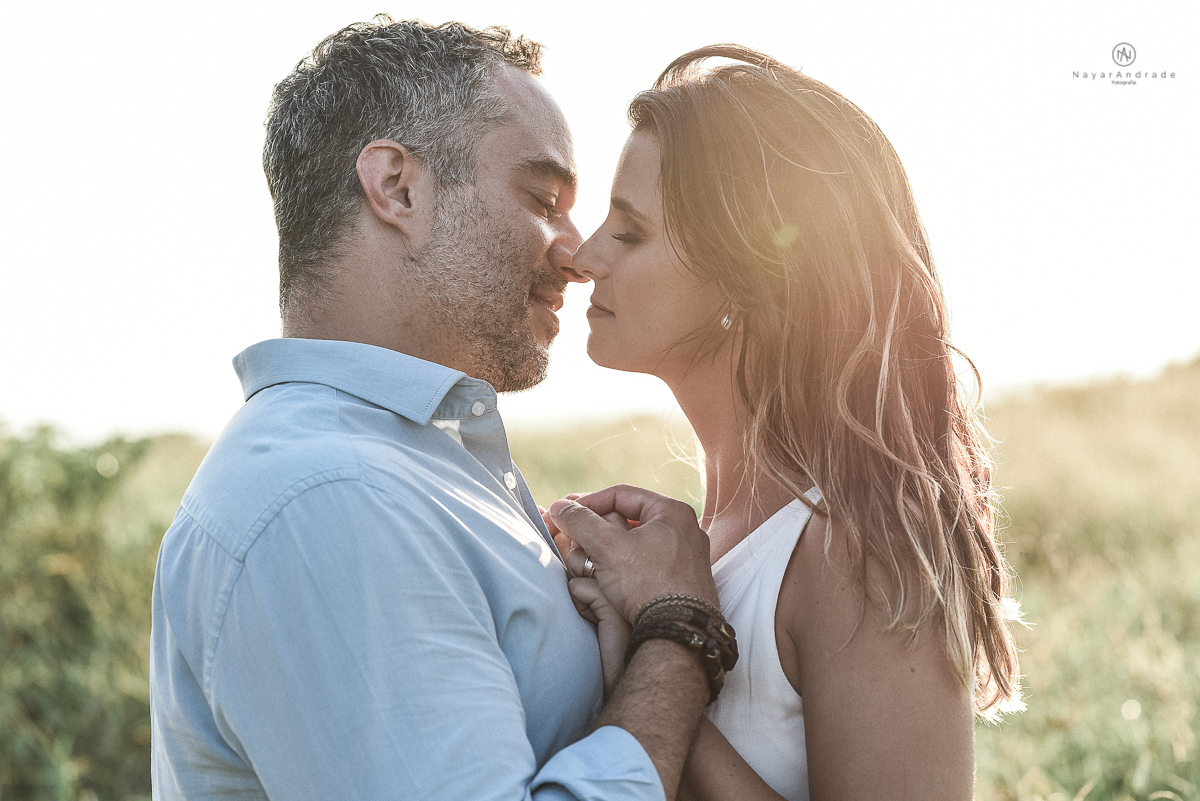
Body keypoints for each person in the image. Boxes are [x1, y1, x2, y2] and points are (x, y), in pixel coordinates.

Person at [149, 18, 726, 800]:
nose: (576, 250)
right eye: (543, 197)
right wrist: (677, 632)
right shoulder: (329, 498)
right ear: (398, 187)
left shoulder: (412, 462)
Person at [557, 45, 1024, 801]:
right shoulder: (710, 535)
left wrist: (666, 652)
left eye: (631, 232)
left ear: (746, 279)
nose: (583, 256)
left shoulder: (854, 547)